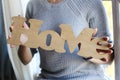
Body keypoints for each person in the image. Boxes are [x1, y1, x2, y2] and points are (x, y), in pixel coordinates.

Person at [10, 0, 114, 80]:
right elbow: (25, 60)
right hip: (46, 77)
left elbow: (109, 57)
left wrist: (89, 53)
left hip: (86, 76)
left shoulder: (91, 3)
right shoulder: (33, 5)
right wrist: (24, 43)